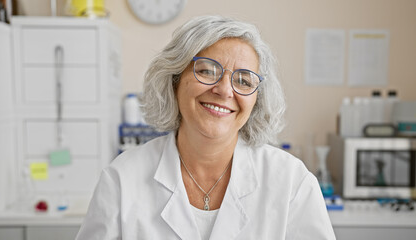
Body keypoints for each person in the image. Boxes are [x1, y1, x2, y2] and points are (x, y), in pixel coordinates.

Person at [75, 15, 336, 240]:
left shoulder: (291, 182)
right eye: (208, 70)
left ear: (257, 99)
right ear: (175, 80)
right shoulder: (122, 179)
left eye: (244, 80)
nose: (224, 90)